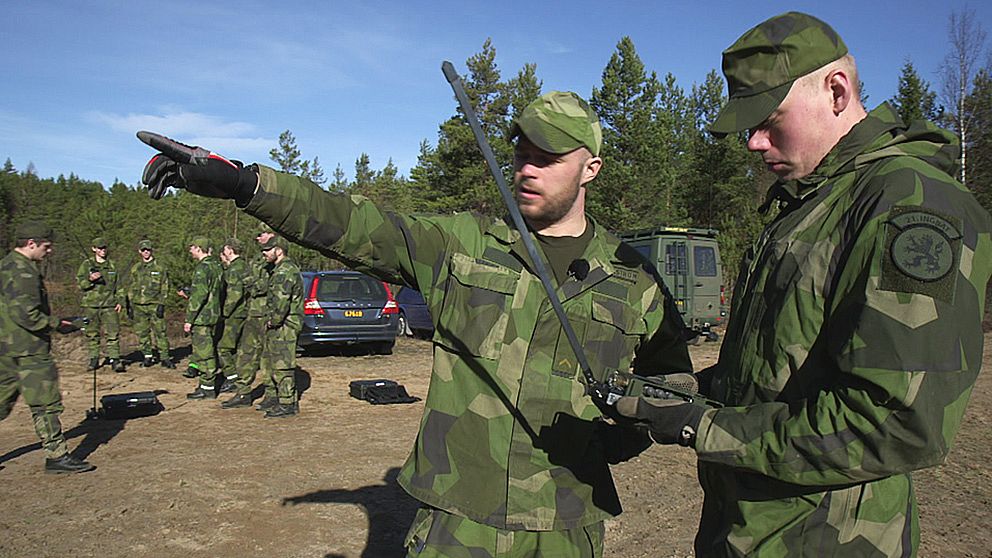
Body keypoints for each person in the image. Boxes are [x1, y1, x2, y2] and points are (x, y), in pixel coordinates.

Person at [138, 90, 692, 557]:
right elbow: (353, 223)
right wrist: (246, 184)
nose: (525, 168)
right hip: (459, 517)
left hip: (566, 524)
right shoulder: (463, 246)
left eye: (547, 157)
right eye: (521, 151)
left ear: (590, 168)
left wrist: (621, 435)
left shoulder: (631, 278)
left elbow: (674, 385)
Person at [613, 12, 992, 557]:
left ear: (836, 91)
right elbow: (784, 366)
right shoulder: (811, 205)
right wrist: (689, 392)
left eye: (769, 118)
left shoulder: (907, 204)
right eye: (747, 126)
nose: (753, 142)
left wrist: (704, 427)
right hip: (750, 531)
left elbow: (894, 421)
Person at [1, 221, 95, 474]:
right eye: (46, 246)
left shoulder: (7, 265)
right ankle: (57, 455)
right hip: (28, 349)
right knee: (45, 404)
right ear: (31, 244)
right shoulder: (23, 272)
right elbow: (27, 315)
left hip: (7, 347)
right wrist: (58, 324)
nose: (49, 251)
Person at [221, 225, 276, 410]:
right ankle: (243, 392)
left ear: (271, 235)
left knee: (267, 358)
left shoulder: (276, 260)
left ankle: (271, 394)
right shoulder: (255, 260)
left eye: (261, 235)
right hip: (252, 313)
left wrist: (249, 282)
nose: (258, 238)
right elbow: (249, 287)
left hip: (267, 314)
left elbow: (264, 286)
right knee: (246, 355)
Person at [257, 236, 303, 418]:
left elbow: (281, 303)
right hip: (282, 325)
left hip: (286, 325)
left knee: (283, 365)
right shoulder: (281, 269)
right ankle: (282, 399)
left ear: (279, 250)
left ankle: (287, 403)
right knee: (274, 363)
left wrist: (272, 321)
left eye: (267, 250)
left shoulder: (285, 271)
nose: (264, 253)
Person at [76, 237, 125, 372]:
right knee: (92, 334)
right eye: (99, 248)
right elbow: (80, 284)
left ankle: (115, 359)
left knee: (113, 334)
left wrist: (120, 301)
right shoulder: (87, 265)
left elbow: (119, 286)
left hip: (109, 304)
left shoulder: (112, 266)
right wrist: (90, 280)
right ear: (94, 249)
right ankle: (94, 358)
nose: (102, 251)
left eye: (104, 248)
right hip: (91, 305)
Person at [183, 237, 224, 399]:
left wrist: (189, 319)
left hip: (202, 317)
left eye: (192, 247)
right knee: (208, 350)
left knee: (204, 353)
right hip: (215, 315)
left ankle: (207, 386)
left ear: (199, 248)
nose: (190, 251)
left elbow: (198, 296)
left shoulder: (203, 269)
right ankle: (206, 383)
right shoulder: (217, 266)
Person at [126, 239, 175, 369]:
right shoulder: (136, 268)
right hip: (139, 305)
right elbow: (131, 286)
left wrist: (162, 303)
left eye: (148, 250)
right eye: (143, 250)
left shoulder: (160, 267)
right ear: (139, 252)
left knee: (160, 332)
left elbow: (165, 286)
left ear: (151, 250)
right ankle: (147, 356)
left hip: (154, 304)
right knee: (142, 333)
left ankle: (164, 357)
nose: (146, 252)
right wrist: (129, 304)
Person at [217, 238, 249, 394]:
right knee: (235, 348)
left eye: (225, 249)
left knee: (223, 348)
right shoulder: (243, 266)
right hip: (241, 313)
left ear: (230, 249)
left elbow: (234, 294)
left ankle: (232, 378)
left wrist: (224, 312)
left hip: (235, 314)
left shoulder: (236, 269)